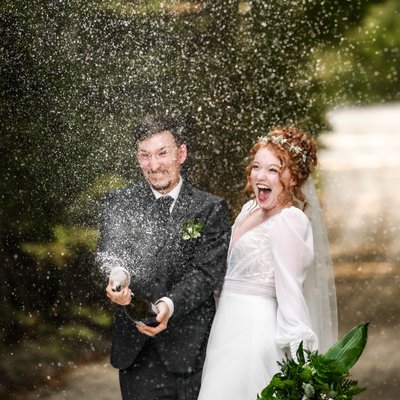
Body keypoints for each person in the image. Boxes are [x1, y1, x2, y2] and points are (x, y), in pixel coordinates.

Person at [97, 114, 231, 400]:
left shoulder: (210, 208)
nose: (154, 165)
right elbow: (113, 254)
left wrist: (169, 305)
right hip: (137, 352)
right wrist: (118, 279)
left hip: (193, 352)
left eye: (162, 153)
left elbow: (207, 274)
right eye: (145, 156)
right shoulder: (119, 203)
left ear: (181, 153)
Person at [197, 127, 337, 400]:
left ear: (294, 177)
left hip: (255, 337)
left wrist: (305, 369)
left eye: (273, 170)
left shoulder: (290, 221)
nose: (261, 176)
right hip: (226, 330)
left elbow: (291, 294)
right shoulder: (249, 208)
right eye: (257, 166)